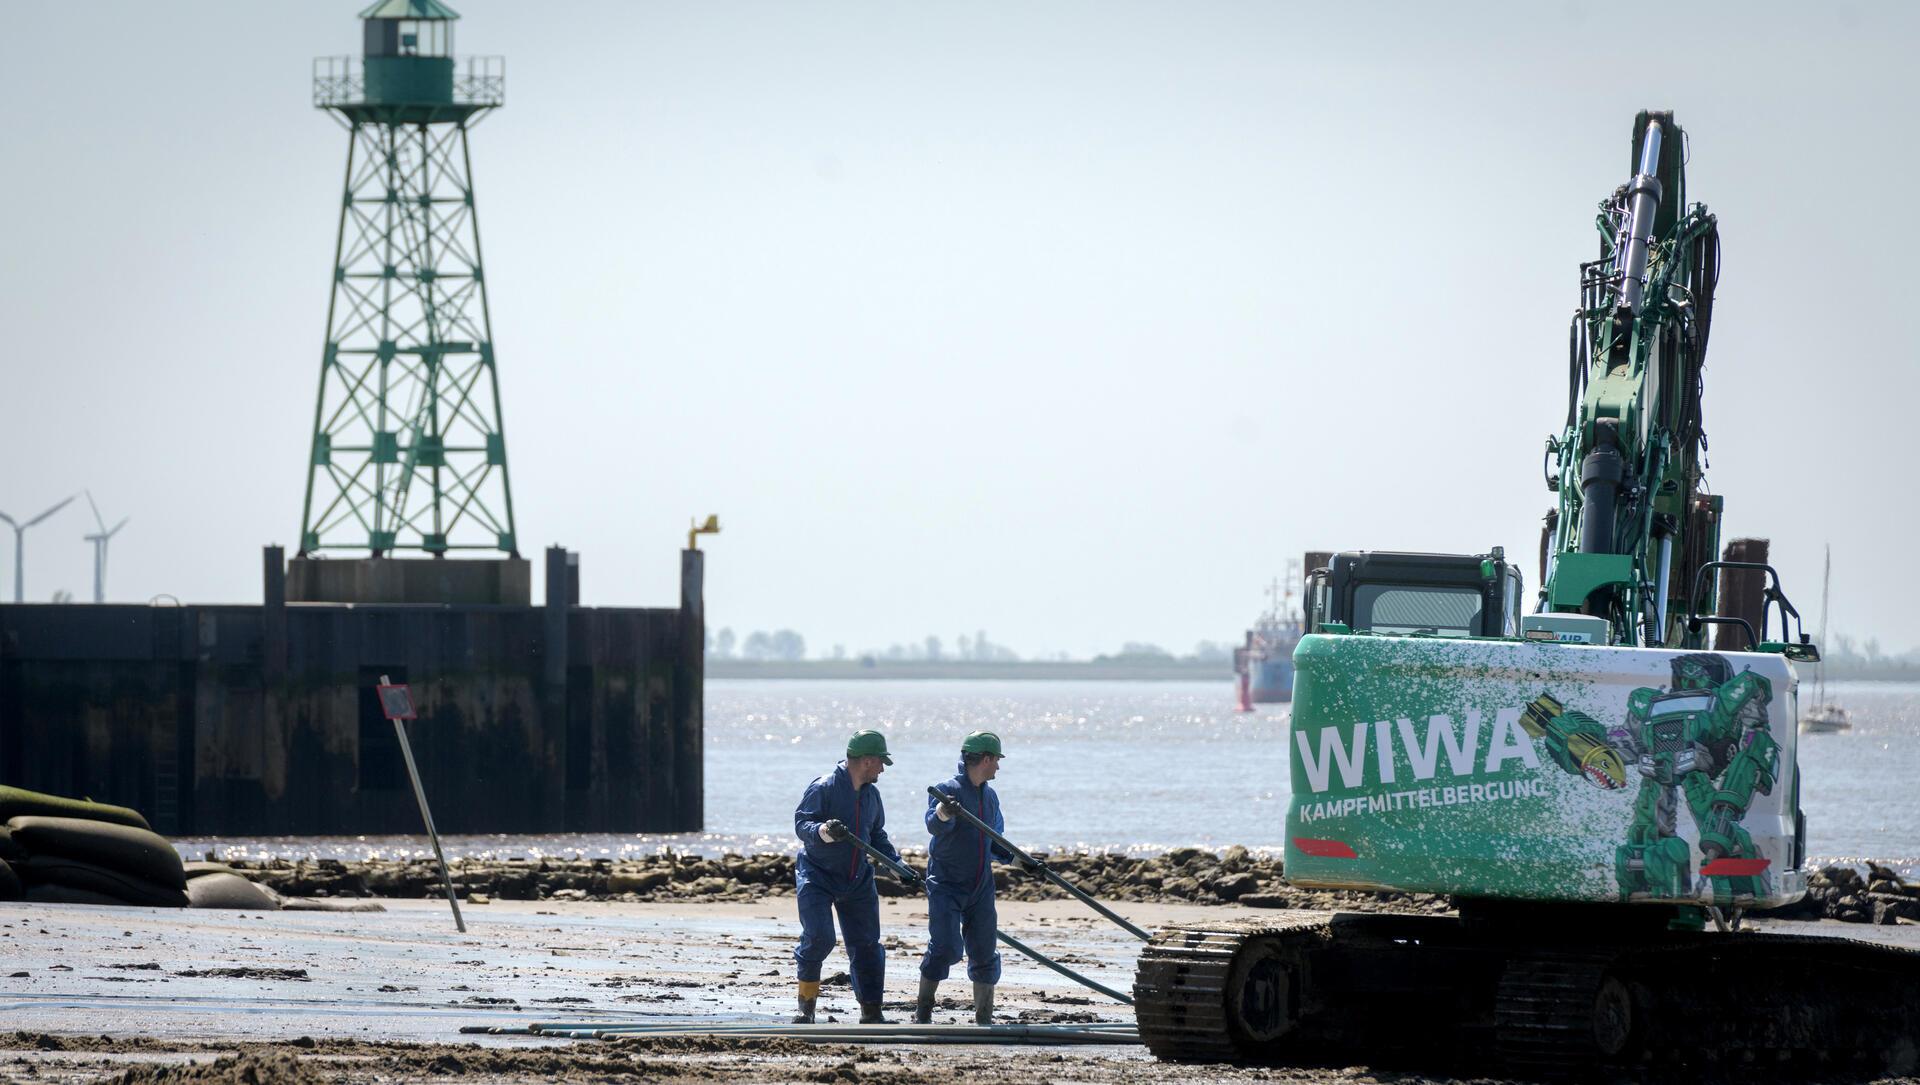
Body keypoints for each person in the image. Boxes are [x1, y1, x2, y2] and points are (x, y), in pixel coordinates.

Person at [917, 729, 1034, 1025]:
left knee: (983, 952)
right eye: (996, 760)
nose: (998, 766)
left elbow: (996, 842)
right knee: (946, 948)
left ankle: (984, 1019)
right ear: (985, 759)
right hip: (946, 885)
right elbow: (933, 824)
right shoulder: (948, 789)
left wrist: (1021, 861)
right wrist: (944, 812)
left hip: (980, 887)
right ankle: (923, 1012)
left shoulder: (990, 797)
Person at [791, 728, 905, 1024]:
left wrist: (895, 864)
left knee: (867, 945)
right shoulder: (824, 787)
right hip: (817, 875)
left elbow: (876, 835)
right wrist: (824, 832)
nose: (883, 768)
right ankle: (806, 1007)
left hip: (857, 880)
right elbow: (802, 824)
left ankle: (871, 1012)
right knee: (819, 938)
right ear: (867, 761)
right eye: (881, 762)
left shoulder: (872, 795)